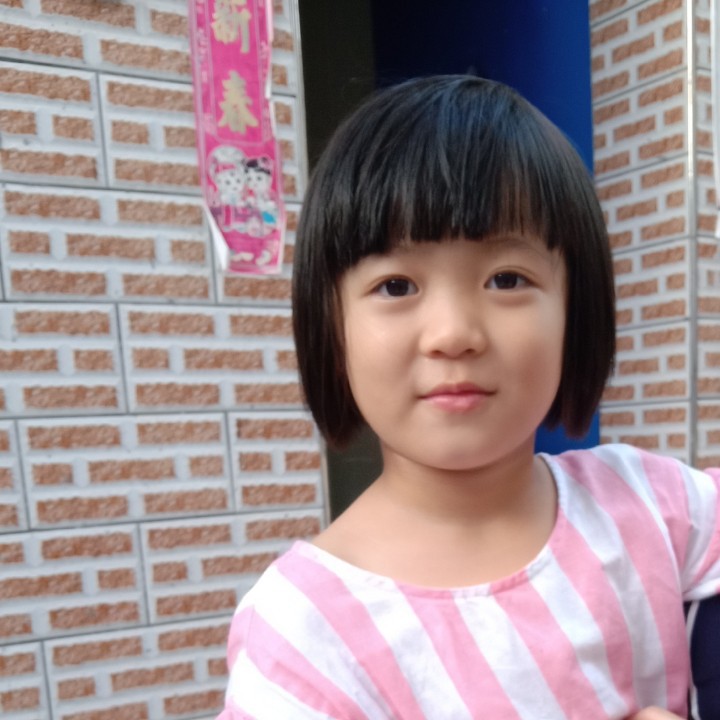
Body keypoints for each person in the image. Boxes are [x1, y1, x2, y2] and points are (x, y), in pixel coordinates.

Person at [216, 76, 720, 719]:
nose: (453, 333)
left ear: (577, 312)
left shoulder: (657, 509)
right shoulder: (301, 638)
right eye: (396, 286)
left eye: (506, 278)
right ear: (331, 326)